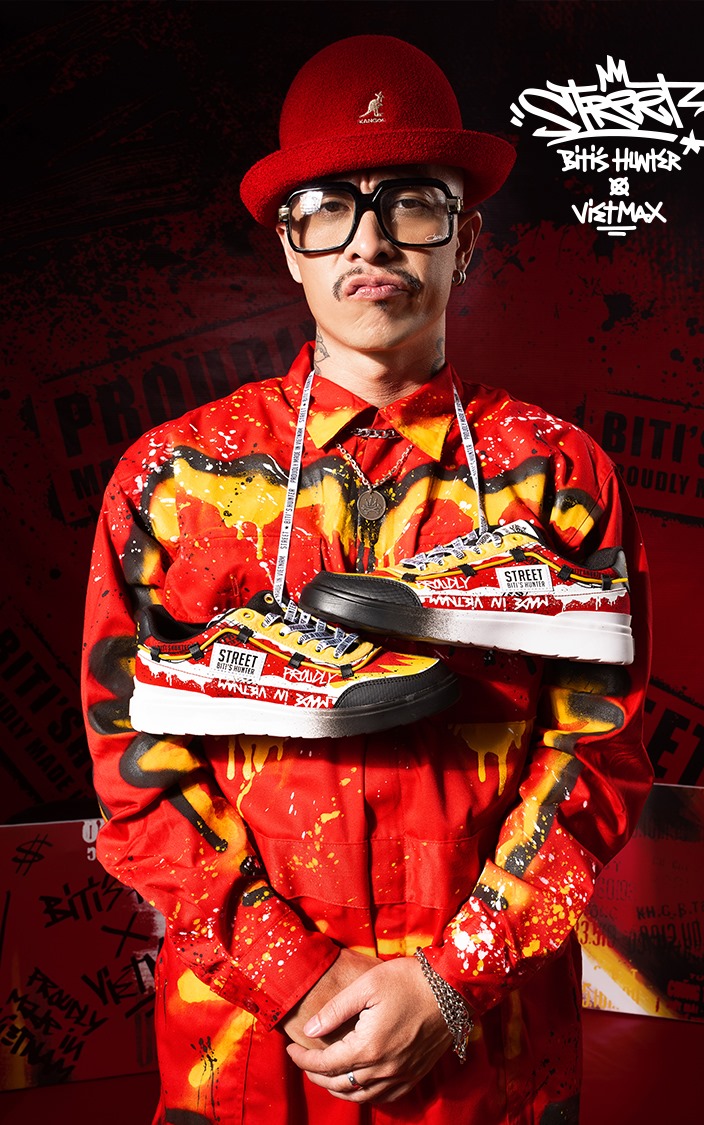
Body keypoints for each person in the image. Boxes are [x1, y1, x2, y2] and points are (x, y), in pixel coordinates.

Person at [82, 34, 653, 1125]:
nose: (371, 240)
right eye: (329, 208)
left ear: (466, 239)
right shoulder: (174, 478)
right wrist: (301, 978)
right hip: (250, 1055)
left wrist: (454, 980)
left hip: (492, 1057)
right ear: (289, 248)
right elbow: (132, 768)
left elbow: (599, 755)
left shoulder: (558, 475)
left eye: (412, 204)